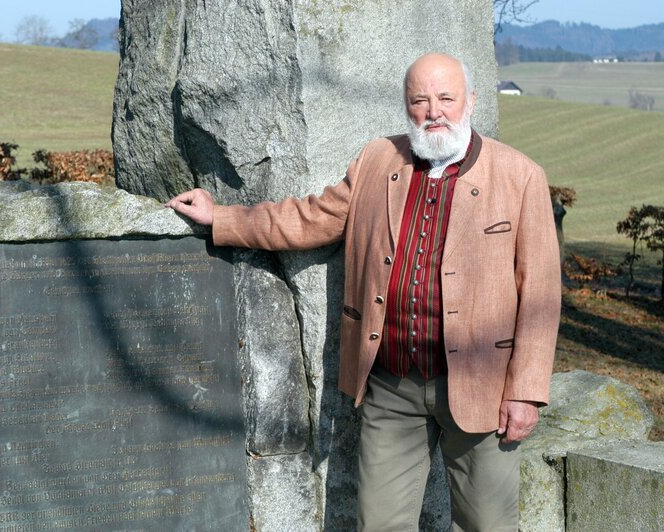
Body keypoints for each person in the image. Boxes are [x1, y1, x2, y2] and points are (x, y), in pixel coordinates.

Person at [165, 52, 561, 531]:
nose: (433, 112)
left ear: (471, 101)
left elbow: (541, 295)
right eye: (419, 100)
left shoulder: (521, 177)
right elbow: (310, 218)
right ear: (406, 105)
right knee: (378, 524)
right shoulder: (378, 159)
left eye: (446, 98)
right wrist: (222, 218)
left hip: (484, 384)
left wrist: (525, 393)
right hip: (393, 385)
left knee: (488, 526)